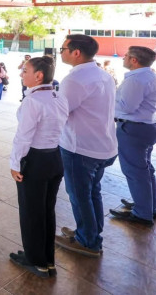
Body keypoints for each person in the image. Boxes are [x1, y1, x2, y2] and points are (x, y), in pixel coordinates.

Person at [55, 34, 118, 258]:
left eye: (63, 49)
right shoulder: (102, 74)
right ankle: (90, 232)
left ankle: (88, 242)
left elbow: (61, 112)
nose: (60, 52)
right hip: (103, 145)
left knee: (79, 195)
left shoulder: (74, 80)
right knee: (92, 192)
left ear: (76, 53)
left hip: (80, 148)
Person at [8, 56, 68, 278]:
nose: (21, 74)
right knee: (46, 210)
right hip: (54, 157)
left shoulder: (33, 101)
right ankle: (47, 259)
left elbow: (23, 137)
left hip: (35, 161)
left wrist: (15, 164)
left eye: (25, 71)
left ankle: (36, 261)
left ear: (39, 76)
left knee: (31, 211)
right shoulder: (59, 97)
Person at [108, 46, 156, 226]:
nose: (123, 58)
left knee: (135, 171)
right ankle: (149, 205)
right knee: (145, 170)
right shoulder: (149, 75)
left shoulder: (136, 80)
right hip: (146, 126)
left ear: (134, 60)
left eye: (126, 55)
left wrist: (108, 103)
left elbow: (127, 107)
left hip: (133, 129)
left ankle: (142, 213)